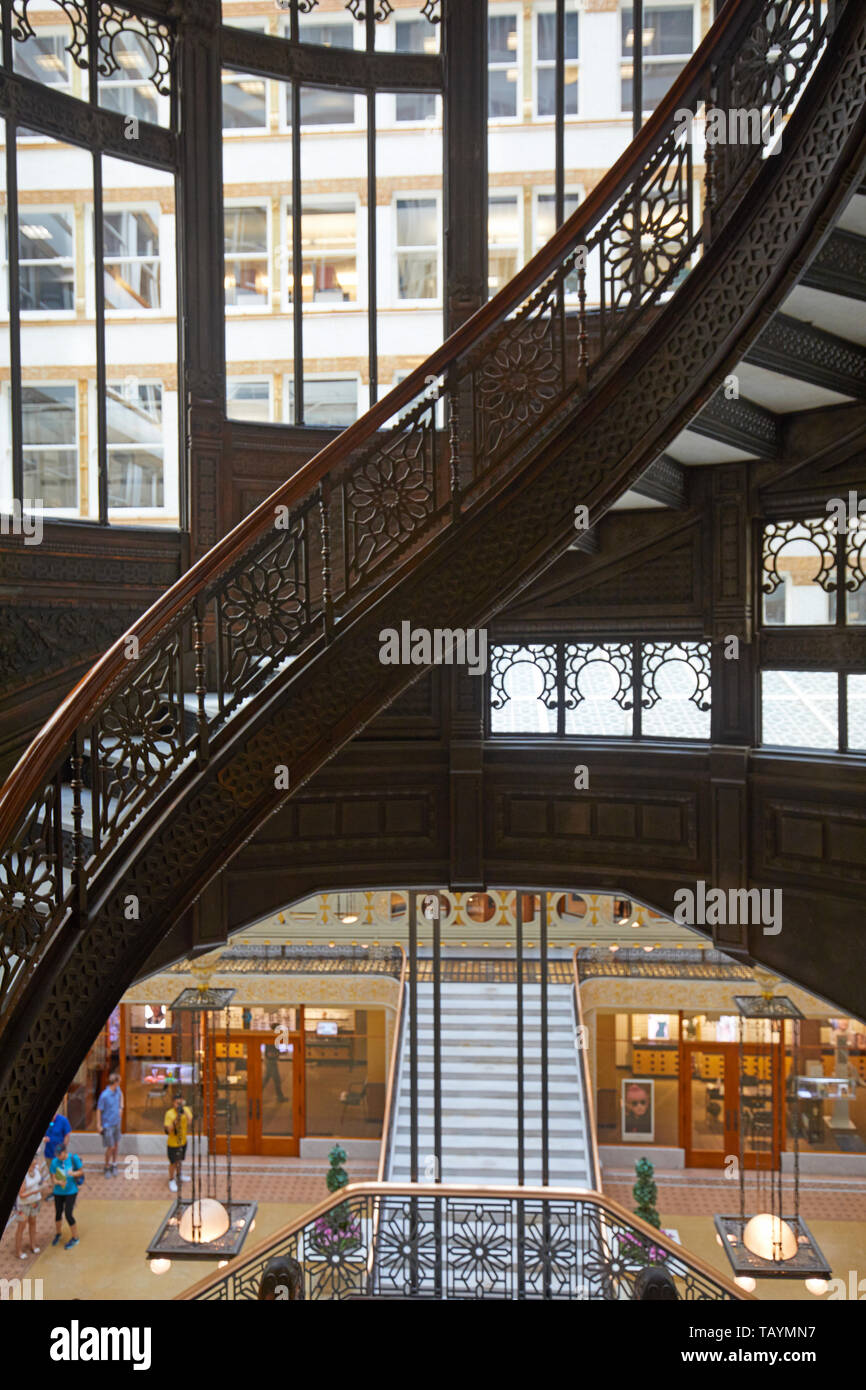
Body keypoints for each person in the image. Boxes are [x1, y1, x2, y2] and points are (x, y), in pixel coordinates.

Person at [49, 1139, 84, 1250]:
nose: (59, 1157)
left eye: (60, 1154)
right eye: (57, 1155)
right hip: (58, 1191)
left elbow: (81, 1171)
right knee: (58, 1213)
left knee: (68, 1213)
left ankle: (75, 1237)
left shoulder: (73, 1158)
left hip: (71, 1191)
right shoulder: (54, 1162)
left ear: (65, 1152)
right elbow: (53, 1178)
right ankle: (58, 1233)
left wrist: (73, 1173)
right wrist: (58, 1182)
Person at [13, 1154, 48, 1260]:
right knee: (21, 1227)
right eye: (33, 1164)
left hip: (35, 1202)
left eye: (35, 1163)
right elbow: (21, 1194)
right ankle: (18, 1251)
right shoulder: (23, 1176)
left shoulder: (36, 1170)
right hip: (23, 1204)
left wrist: (44, 1184)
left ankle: (33, 1245)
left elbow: (41, 1180)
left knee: (33, 1223)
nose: (35, 1165)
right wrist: (35, 1191)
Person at [164, 1090, 192, 1194]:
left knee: (180, 1160)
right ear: (173, 1103)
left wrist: (184, 1112)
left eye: (180, 1103)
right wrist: (176, 1119)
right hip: (173, 1143)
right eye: (177, 1103)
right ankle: (171, 1180)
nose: (178, 1105)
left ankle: (179, 1175)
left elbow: (190, 1121)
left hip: (183, 1141)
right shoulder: (169, 1113)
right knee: (173, 1163)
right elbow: (168, 1130)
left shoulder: (186, 1110)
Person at [96, 1072, 124, 1177]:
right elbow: (99, 1110)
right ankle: (107, 1166)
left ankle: (114, 1164)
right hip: (107, 1125)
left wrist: (121, 1107)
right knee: (110, 1147)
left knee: (116, 1145)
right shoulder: (104, 1095)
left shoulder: (118, 1091)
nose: (120, 1084)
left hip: (117, 1123)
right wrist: (98, 1125)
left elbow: (122, 1096)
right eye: (119, 1082)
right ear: (115, 1082)